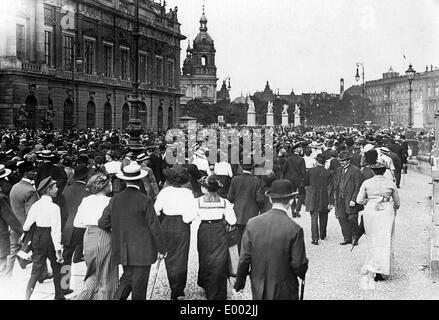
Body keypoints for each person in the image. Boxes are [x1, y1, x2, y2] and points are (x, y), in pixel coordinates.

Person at [98, 164, 166, 300]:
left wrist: (118, 229)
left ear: (124, 180)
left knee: (127, 278)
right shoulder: (145, 200)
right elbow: (154, 226)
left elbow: (103, 222)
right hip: (142, 250)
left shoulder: (115, 199)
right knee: (139, 286)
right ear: (139, 180)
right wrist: (162, 248)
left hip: (123, 248)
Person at [234, 180, 308, 300]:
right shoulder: (295, 229)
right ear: (291, 200)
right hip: (285, 287)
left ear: (270, 199)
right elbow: (299, 264)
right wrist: (302, 270)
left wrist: (239, 285)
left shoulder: (252, 223)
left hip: (258, 285)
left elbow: (244, 258)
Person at [154, 167, 197, 300]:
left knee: (170, 257)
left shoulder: (165, 192)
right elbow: (192, 213)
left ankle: (173, 285)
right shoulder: (188, 193)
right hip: (181, 225)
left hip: (166, 224)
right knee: (182, 257)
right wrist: (186, 219)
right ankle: (179, 289)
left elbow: (156, 210)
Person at [73, 173, 118, 300]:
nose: (111, 185)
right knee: (107, 275)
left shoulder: (86, 200)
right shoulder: (110, 201)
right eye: (109, 183)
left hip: (89, 236)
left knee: (92, 273)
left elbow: (77, 222)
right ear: (103, 186)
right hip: (105, 235)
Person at [356, 162, 400, 289]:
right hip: (386, 211)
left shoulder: (367, 183)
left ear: (373, 171)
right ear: (384, 171)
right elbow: (397, 201)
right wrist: (393, 207)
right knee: (385, 239)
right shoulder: (390, 183)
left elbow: (359, 200)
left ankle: (372, 266)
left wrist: (369, 202)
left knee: (372, 239)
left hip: (371, 211)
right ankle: (382, 270)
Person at [23, 177, 65, 300]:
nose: (57, 189)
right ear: (48, 190)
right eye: (55, 187)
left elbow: (26, 226)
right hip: (49, 238)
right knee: (57, 268)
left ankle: (26, 296)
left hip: (37, 237)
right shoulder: (54, 207)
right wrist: (58, 251)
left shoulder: (35, 205)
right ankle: (59, 295)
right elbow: (56, 231)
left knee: (36, 270)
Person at [196, 175, 236, 300]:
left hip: (204, 230)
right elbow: (233, 220)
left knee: (205, 257)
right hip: (219, 229)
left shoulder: (197, 201)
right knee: (219, 261)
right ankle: (218, 292)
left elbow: (189, 217)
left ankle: (206, 284)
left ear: (205, 188)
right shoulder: (225, 202)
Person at [60, 164, 90, 295]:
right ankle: (90, 286)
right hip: (84, 227)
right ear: (86, 175)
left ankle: (64, 286)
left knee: (66, 258)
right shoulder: (88, 191)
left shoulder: (66, 190)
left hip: (69, 227)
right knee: (91, 258)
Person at [6, 162, 38, 276]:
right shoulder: (30, 190)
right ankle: (42, 273)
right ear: (26, 173)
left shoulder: (14, 187)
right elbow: (31, 212)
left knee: (13, 250)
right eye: (32, 171)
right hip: (27, 225)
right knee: (38, 249)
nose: (35, 172)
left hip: (15, 223)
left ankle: (6, 275)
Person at [227, 162, 265, 253]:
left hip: (238, 212)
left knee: (239, 237)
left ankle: (240, 257)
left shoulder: (235, 180)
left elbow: (230, 197)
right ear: (252, 169)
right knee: (251, 237)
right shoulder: (256, 181)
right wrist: (259, 208)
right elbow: (260, 198)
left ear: (241, 167)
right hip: (252, 212)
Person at [332, 150, 362, 246]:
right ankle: (346, 238)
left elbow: (358, 186)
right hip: (340, 198)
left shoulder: (355, 170)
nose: (341, 162)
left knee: (352, 219)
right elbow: (336, 185)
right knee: (342, 218)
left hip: (350, 199)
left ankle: (354, 238)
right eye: (340, 160)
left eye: (344, 160)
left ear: (348, 160)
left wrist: (353, 199)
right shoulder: (338, 170)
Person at [0, 165, 23, 279]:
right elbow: (10, 218)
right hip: (1, 235)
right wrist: (22, 232)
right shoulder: (2, 196)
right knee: (2, 268)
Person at [304, 154, 332, 245]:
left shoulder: (310, 171)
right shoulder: (328, 172)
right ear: (325, 162)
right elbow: (330, 187)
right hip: (324, 195)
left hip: (312, 195)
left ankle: (315, 238)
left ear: (316, 161)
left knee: (314, 217)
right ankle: (322, 235)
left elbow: (306, 182)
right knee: (324, 215)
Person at [282, 143, 306, 218]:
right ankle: (297, 209)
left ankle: (293, 211)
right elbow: (303, 172)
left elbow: (284, 170)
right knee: (302, 194)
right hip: (299, 180)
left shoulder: (288, 159)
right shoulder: (301, 159)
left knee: (292, 196)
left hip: (290, 180)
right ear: (298, 150)